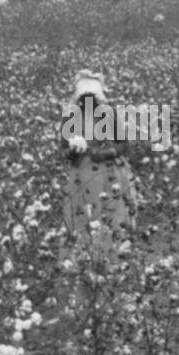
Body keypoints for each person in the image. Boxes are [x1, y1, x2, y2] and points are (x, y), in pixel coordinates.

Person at [60, 71, 140, 255]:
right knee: (83, 217)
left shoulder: (108, 114)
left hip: (111, 174)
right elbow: (62, 150)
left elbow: (124, 145)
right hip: (82, 176)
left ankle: (114, 257)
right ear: (78, 98)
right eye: (84, 98)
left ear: (98, 98)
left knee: (113, 214)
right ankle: (85, 258)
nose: (88, 102)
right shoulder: (71, 117)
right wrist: (72, 151)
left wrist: (105, 153)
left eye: (92, 97)